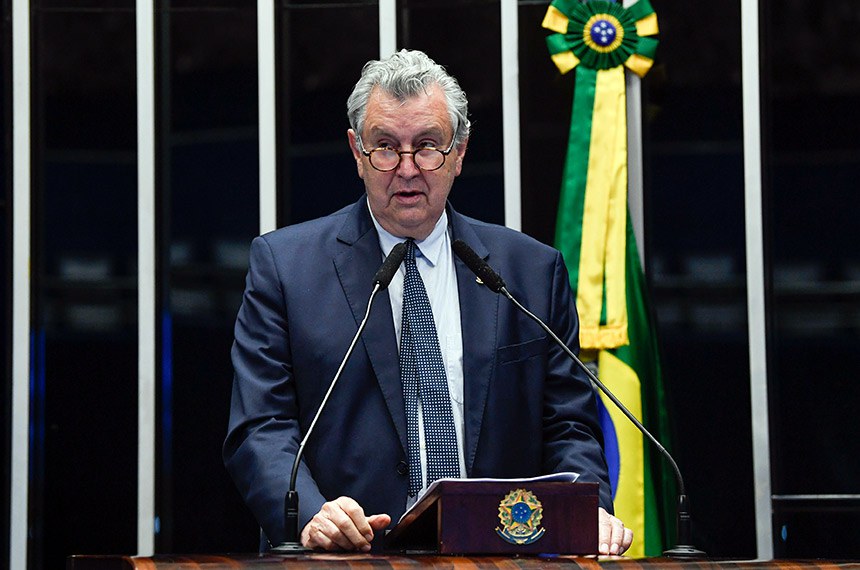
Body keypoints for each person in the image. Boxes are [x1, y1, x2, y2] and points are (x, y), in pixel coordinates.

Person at [224, 49, 633, 556]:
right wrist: (310, 513)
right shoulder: (285, 268)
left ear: (459, 152)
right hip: (344, 558)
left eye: (428, 146)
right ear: (356, 151)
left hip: (496, 558)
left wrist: (582, 506)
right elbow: (260, 426)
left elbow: (569, 423)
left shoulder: (529, 272)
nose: (407, 168)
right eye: (385, 147)